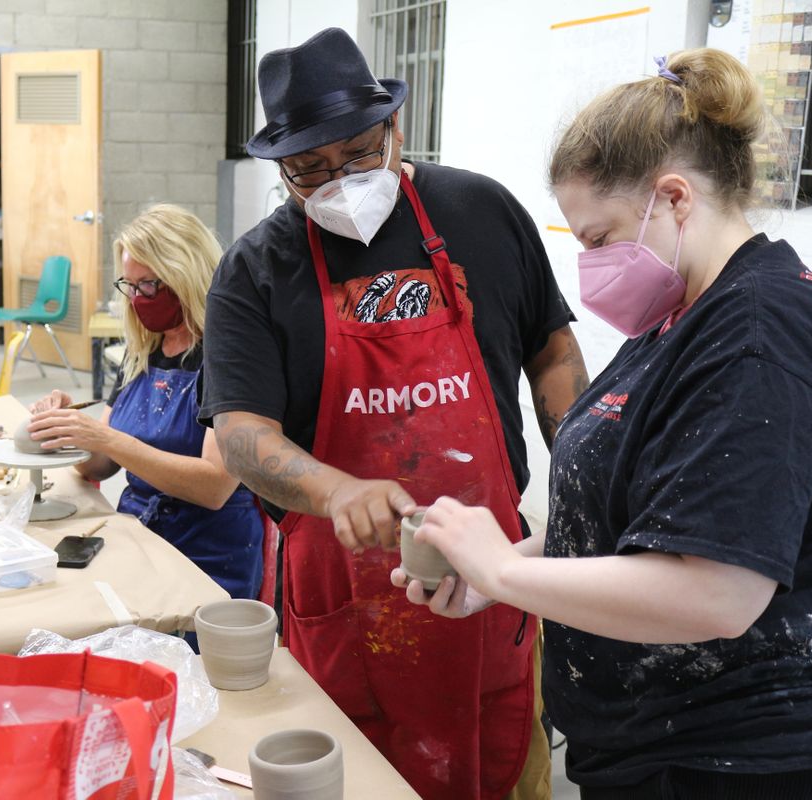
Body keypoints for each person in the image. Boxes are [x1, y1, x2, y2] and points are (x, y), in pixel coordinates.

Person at [395, 49, 812, 800]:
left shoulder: (760, 336)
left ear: (674, 198)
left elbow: (717, 593)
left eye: (598, 239)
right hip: (652, 736)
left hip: (740, 756)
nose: (591, 264)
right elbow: (638, 522)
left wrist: (505, 571)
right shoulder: (683, 316)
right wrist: (498, 571)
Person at [199, 28, 587, 800]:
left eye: (359, 155)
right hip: (345, 602)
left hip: (489, 583)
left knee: (503, 768)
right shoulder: (254, 273)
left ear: (395, 128)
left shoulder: (482, 212)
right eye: (310, 170)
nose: (340, 181)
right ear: (281, 168)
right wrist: (337, 490)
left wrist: (587, 477)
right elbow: (240, 434)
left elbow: (551, 350)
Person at [27, 204, 264, 610]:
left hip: (209, 551)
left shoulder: (228, 354)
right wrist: (71, 431)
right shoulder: (143, 351)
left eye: (149, 285)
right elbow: (100, 467)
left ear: (185, 273)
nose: (138, 298)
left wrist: (106, 438)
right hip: (138, 536)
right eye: (131, 286)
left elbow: (214, 486)